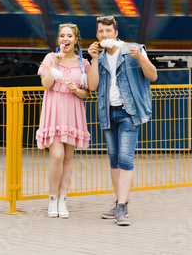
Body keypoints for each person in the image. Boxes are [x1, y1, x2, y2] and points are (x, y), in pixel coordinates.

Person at [87, 16, 157, 226]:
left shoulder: (134, 50)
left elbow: (153, 76)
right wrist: (92, 59)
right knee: (114, 159)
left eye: (108, 31)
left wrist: (142, 58)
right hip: (108, 112)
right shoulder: (98, 57)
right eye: (101, 32)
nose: (105, 35)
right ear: (97, 35)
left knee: (126, 160)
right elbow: (92, 87)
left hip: (129, 112)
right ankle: (119, 203)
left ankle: (122, 208)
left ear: (116, 32)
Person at [36, 23, 90, 218]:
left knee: (68, 158)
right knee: (57, 155)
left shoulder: (84, 63)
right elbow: (45, 84)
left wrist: (76, 90)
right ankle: (52, 199)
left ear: (76, 40)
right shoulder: (50, 58)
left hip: (73, 112)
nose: (65, 39)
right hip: (54, 112)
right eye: (62, 35)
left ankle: (63, 201)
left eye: (69, 36)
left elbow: (86, 93)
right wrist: (56, 65)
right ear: (58, 39)